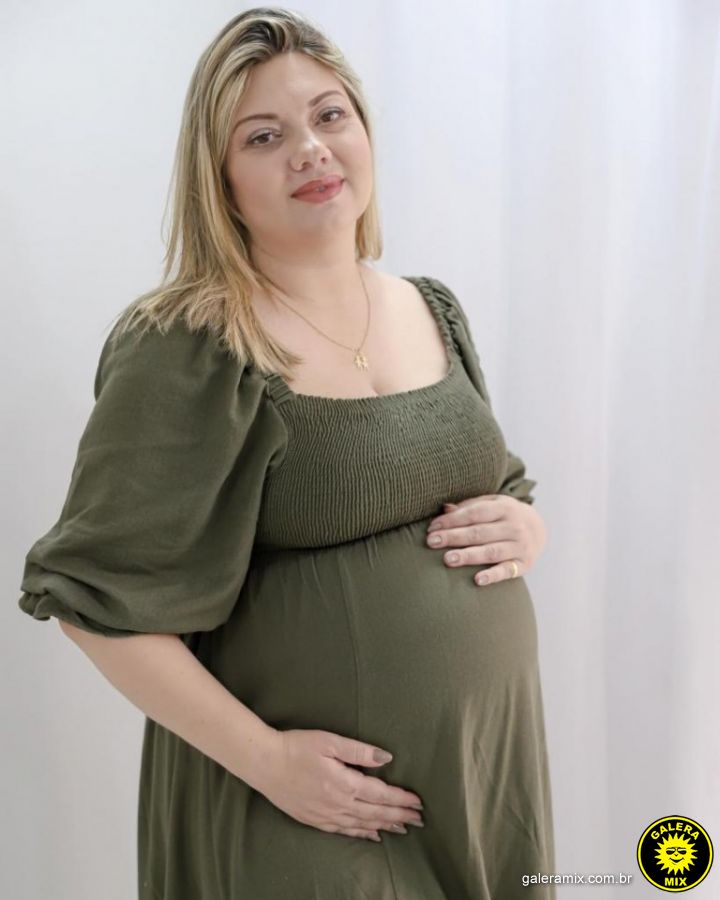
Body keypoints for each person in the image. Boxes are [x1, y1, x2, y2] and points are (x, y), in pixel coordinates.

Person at [18, 7, 556, 899]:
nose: (310, 149)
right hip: (304, 807)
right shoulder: (188, 344)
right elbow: (92, 602)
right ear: (221, 180)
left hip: (479, 775)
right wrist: (269, 761)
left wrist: (527, 527)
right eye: (264, 136)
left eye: (329, 115)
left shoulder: (430, 307)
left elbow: (498, 487)